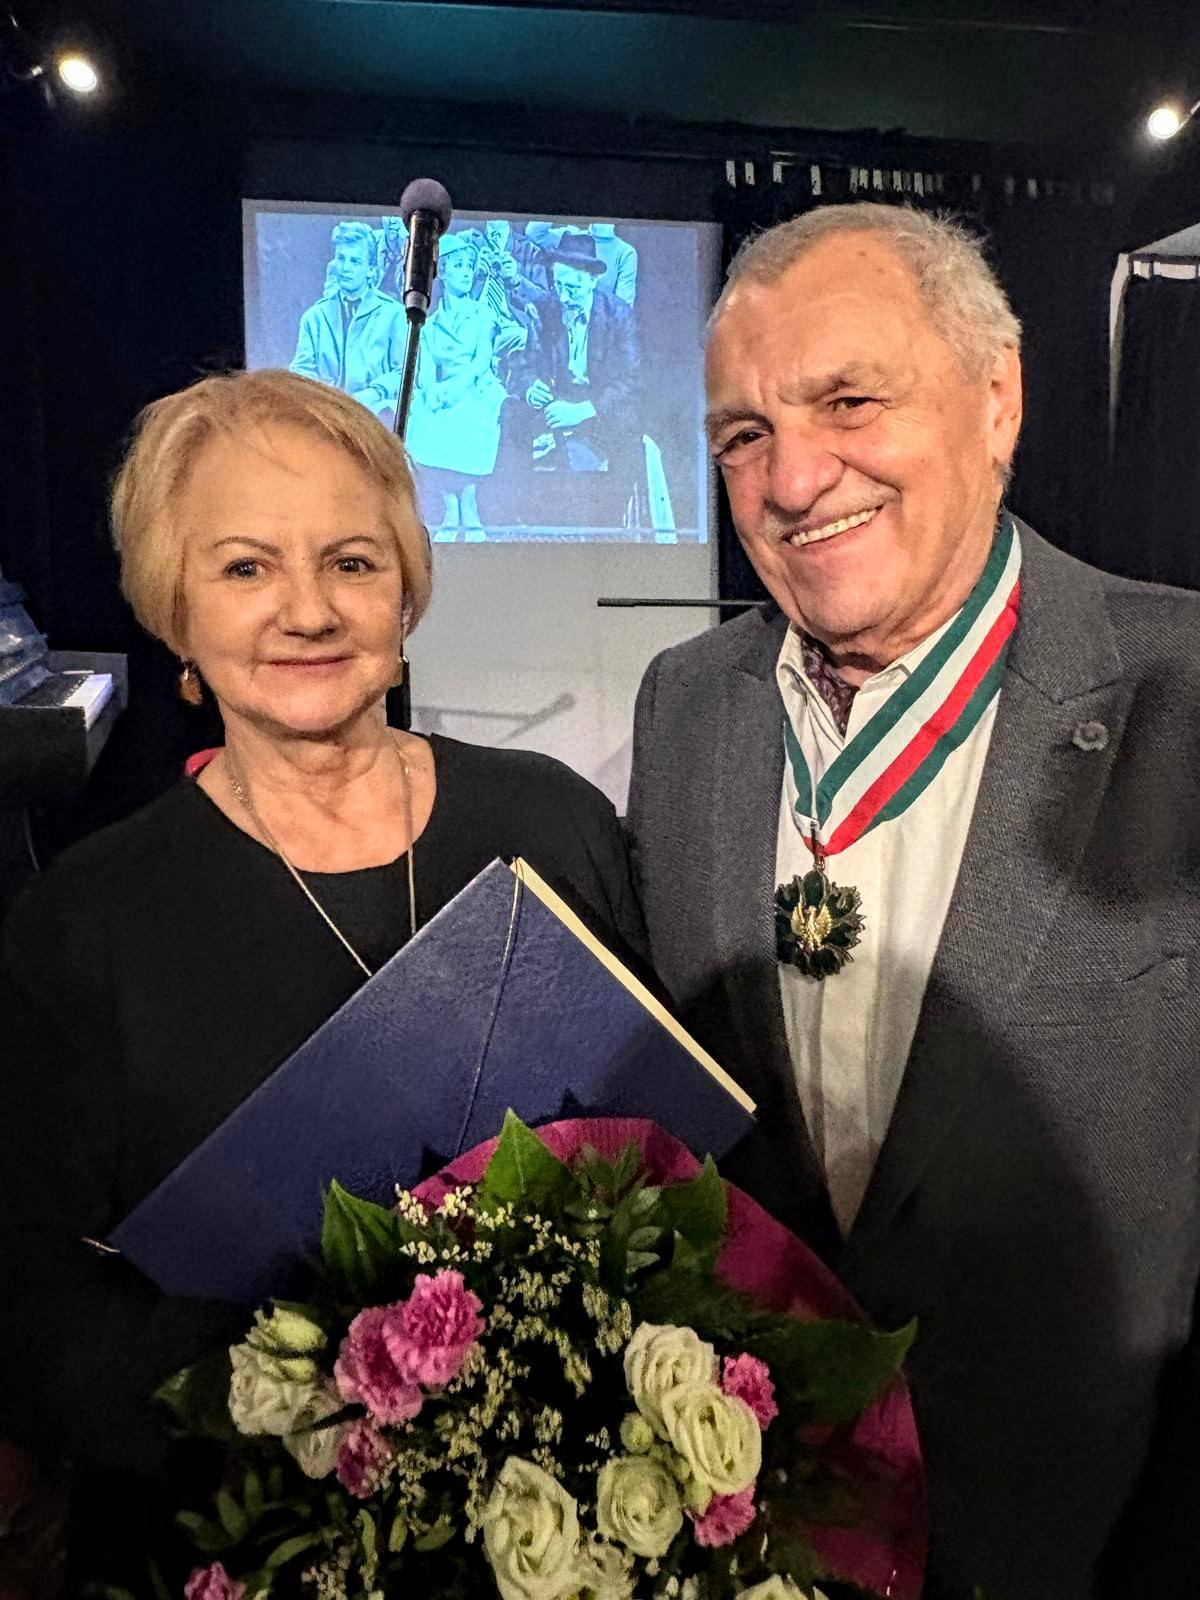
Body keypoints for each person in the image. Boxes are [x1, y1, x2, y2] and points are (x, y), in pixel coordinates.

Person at [625, 202, 1200, 1600]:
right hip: (760, 1530)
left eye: (849, 401)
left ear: (998, 398)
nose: (792, 476)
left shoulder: (1184, 695)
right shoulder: (685, 707)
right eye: (743, 434)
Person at [0, 368, 645, 1584]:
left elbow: (667, 1164)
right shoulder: (83, 924)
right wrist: (316, 1415)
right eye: (245, 567)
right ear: (175, 607)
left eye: (351, 561)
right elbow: (32, 1316)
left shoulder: (554, 825)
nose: (307, 610)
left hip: (560, 1530)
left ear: (404, 591)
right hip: (240, 1540)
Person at [509, 232, 639, 527]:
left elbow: (629, 380)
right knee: (510, 416)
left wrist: (584, 410)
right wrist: (531, 388)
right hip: (556, 402)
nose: (565, 298)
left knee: (629, 432)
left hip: (599, 405)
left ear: (592, 280)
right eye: (559, 286)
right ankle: (519, 522)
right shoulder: (547, 308)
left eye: (573, 288)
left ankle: (609, 526)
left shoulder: (618, 315)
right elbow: (526, 365)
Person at [403, 232, 516, 541]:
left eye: (469, 266)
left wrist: (453, 389)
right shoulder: (431, 323)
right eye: (458, 266)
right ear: (443, 273)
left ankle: (469, 503)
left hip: (476, 386)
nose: (466, 273)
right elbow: (425, 368)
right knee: (423, 414)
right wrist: (432, 390)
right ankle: (450, 506)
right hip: (444, 389)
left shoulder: (483, 315)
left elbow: (481, 362)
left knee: (470, 413)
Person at [290, 220, 406, 422]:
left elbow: (404, 373)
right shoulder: (314, 317)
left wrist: (374, 393)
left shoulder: (393, 314)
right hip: (325, 418)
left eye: (355, 261)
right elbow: (301, 371)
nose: (345, 268)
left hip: (376, 417)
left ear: (371, 269)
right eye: (341, 258)